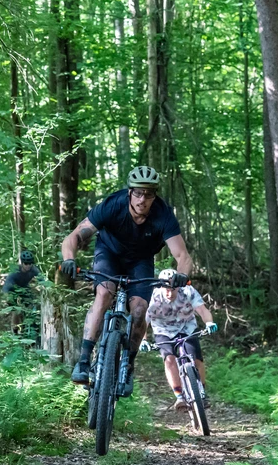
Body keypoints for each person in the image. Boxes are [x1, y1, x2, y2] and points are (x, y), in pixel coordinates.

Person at [59, 166, 193, 394]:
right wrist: (69, 259)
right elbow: (75, 236)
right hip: (108, 253)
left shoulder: (163, 215)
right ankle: (83, 360)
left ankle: (128, 363)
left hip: (140, 260)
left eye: (149, 194)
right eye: (138, 193)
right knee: (104, 293)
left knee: (140, 310)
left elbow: (183, 256)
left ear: (155, 196)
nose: (143, 199)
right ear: (130, 193)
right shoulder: (113, 205)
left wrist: (182, 274)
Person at [143, 268, 217, 412]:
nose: (170, 293)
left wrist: (209, 323)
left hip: (187, 327)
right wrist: (143, 340)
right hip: (163, 330)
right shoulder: (153, 297)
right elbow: (143, 323)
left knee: (197, 359)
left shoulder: (188, 290)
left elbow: (202, 310)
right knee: (169, 359)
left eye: (173, 289)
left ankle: (201, 391)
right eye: (167, 290)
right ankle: (179, 396)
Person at [2, 250, 42, 342]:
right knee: (16, 310)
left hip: (25, 289)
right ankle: (15, 331)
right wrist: (9, 299)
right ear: (22, 263)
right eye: (26, 263)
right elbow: (6, 289)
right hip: (13, 290)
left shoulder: (33, 270)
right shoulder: (15, 272)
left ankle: (31, 329)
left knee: (32, 306)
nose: (28, 265)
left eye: (30, 263)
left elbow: (42, 280)